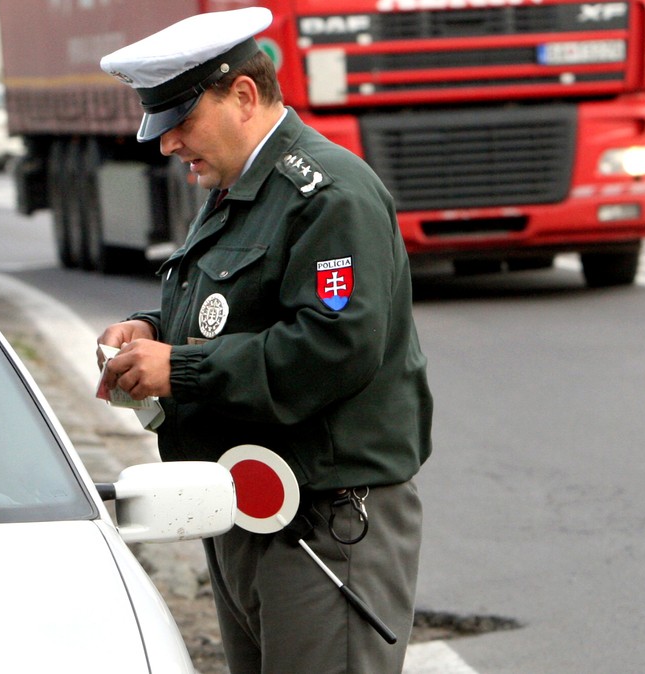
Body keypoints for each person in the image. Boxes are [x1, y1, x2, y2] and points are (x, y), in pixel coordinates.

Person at [96, 8, 433, 673]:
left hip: (325, 523)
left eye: (181, 122)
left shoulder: (328, 194)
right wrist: (153, 333)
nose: (168, 144)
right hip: (248, 514)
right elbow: (236, 309)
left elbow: (335, 346)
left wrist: (181, 370)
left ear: (244, 97)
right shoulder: (239, 189)